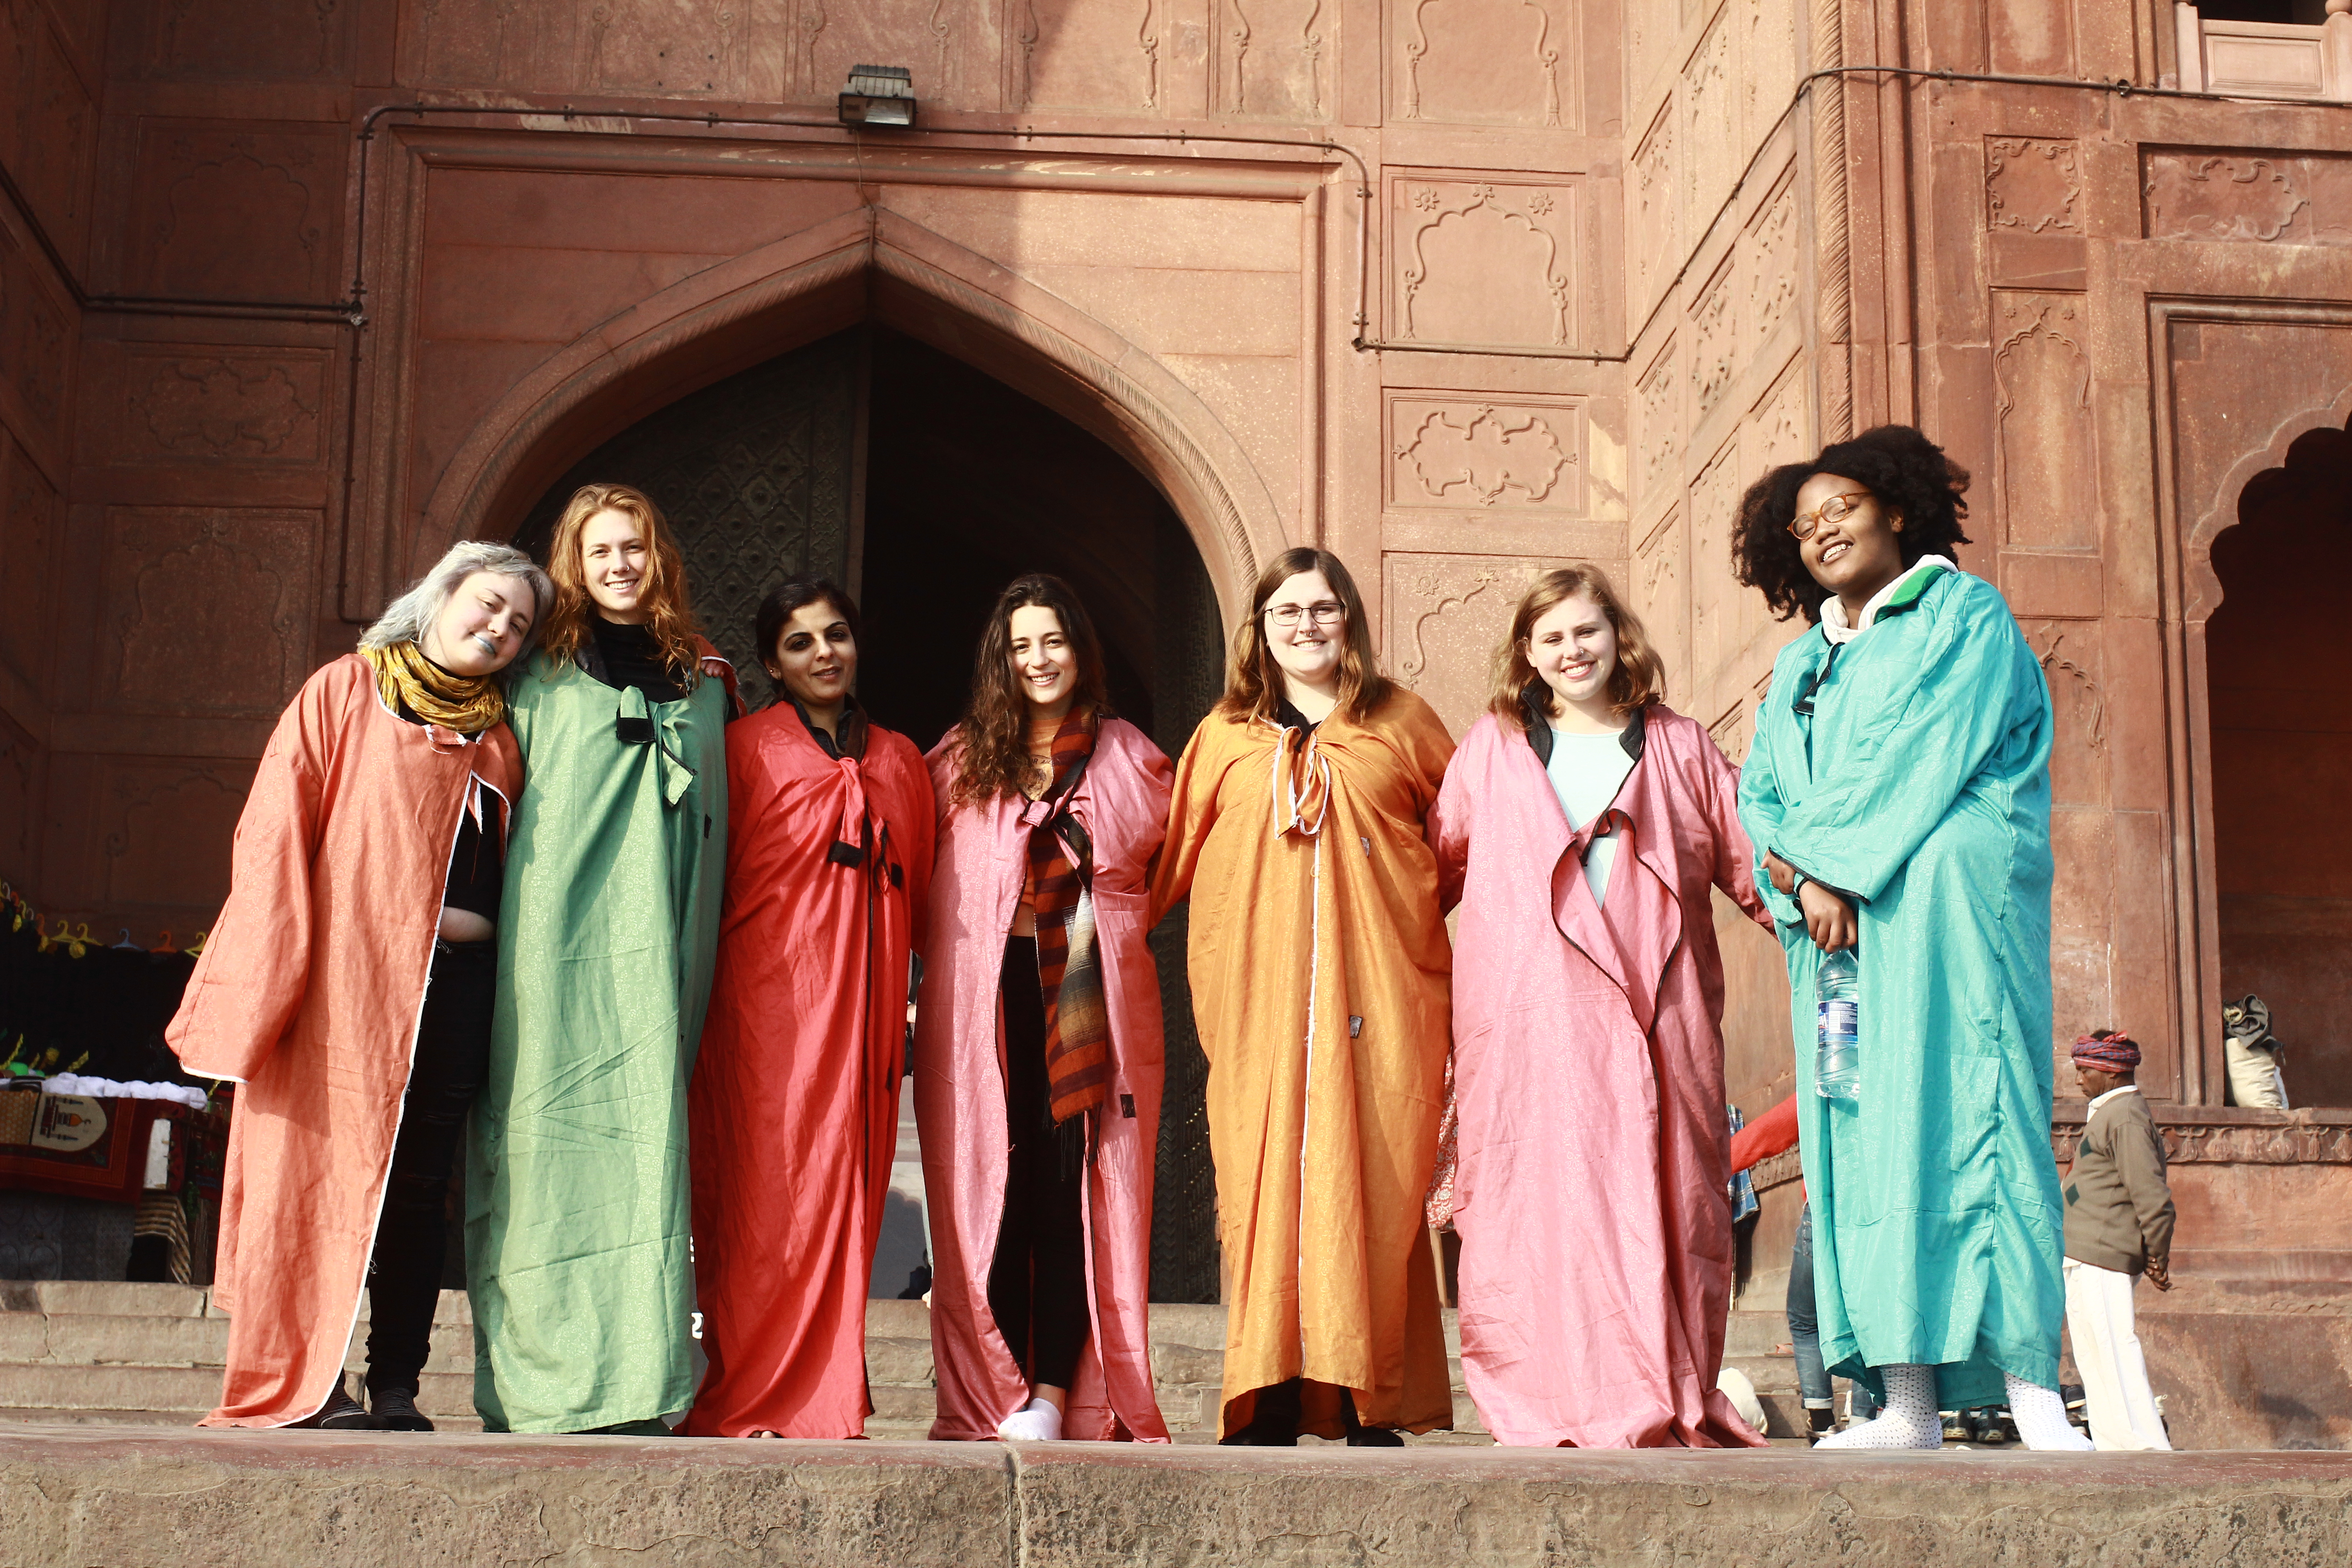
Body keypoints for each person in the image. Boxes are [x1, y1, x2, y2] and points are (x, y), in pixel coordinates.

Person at [1733, 424, 2089, 1450]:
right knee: (1857, 1139)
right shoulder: (1800, 664)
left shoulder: (1960, 615)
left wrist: (1832, 863)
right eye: (1803, 524)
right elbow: (1760, 794)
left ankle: (2030, 1393)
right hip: (1840, 956)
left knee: (1974, 1122)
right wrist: (1801, 880)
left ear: (1895, 508)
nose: (1821, 530)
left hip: (1942, 934)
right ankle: (1905, 1402)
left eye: (1841, 507)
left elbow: (1924, 747)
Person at [166, 541, 549, 1430]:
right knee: (322, 1176)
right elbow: (274, 837)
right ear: (440, 596)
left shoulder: (501, 737)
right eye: (487, 604)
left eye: (518, 624)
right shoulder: (347, 691)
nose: (497, 627)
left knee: (418, 1188)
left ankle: (397, 1384)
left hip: (456, 994)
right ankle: (311, 1378)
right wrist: (273, 979)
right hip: (347, 990)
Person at [1427, 566, 1772, 1448]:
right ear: (1527, 652)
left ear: (1617, 634)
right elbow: (1428, 873)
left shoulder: (1678, 745)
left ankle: (1656, 1387)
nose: (1572, 650)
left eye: (1586, 630)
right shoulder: (1494, 748)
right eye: (1551, 638)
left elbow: (1753, 862)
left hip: (1659, 1014)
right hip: (1533, 1019)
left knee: (1665, 1199)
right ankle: (1547, 1398)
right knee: (1536, 1206)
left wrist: (1835, 922)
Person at [1149, 546, 1455, 1446]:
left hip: (1380, 1000)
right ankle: (1269, 1388)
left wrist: (1389, 915)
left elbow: (1464, 842)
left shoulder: (1402, 722)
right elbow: (1166, 858)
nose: (1306, 625)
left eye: (1322, 608)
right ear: (1261, 628)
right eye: (1286, 611)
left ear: (1348, 617)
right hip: (1260, 1009)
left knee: (1375, 1179)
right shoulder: (1224, 737)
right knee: (1264, 1179)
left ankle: (1365, 1395)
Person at [467, 482, 736, 1436]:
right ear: (573, 566)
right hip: (553, 959)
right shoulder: (533, 674)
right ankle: (542, 1381)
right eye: (600, 551)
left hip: (664, 955)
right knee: (543, 1151)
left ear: (659, 558)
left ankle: (639, 1376)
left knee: (646, 1154)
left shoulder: (705, 679)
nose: (620, 564)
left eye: (635, 547)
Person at [916, 574, 1174, 1444]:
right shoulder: (960, 760)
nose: (1037, 659)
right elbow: (922, 884)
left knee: (1070, 1197)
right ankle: (996, 1388)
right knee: (994, 1193)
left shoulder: (1128, 757)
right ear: (1002, 659)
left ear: (1078, 650)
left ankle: (1057, 1394)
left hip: (1083, 1003)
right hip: (986, 1006)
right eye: (1020, 645)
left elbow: (1170, 870)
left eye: (1052, 641)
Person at [681, 578, 935, 1438]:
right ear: (771, 663)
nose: (824, 653)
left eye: (836, 635)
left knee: (843, 1194)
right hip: (765, 1011)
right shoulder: (743, 749)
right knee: (764, 1199)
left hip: (864, 1016)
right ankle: (750, 1389)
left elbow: (921, 891)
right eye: (800, 643)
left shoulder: (900, 759)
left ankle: (825, 1391)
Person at [1726, 1094, 1877, 1441]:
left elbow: (1768, 1132)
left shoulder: (1826, 1086)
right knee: (1868, 1321)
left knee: (1806, 1319)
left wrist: (1712, 1163)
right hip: (1878, 1213)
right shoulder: (1896, 1082)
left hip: (1825, 1211)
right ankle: (1863, 1421)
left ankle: (1822, 1421)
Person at [2062, 1029, 2176, 1451]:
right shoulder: (2110, 1112)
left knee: (2115, 1349)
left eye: (2084, 1070)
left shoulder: (2125, 1116)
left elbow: (2152, 1196)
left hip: (2104, 1254)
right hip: (2084, 1253)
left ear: (2110, 1072)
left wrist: (2157, 1256)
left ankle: (2145, 1447)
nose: (2079, 1079)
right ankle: (2114, 1446)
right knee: (2094, 1357)